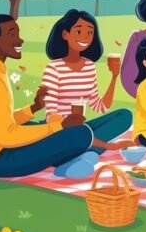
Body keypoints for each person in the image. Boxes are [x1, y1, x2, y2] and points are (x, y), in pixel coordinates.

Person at [0, 15, 132, 179]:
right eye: (12, 34)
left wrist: (33, 108)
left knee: (114, 118)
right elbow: (6, 135)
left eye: (90, 32)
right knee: (80, 134)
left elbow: (2, 121)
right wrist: (60, 126)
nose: (20, 40)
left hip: (0, 148)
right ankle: (73, 161)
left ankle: (80, 150)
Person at [40, 9, 133, 177]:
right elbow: (51, 114)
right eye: (79, 31)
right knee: (76, 136)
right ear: (65, 34)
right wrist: (106, 145)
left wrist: (114, 77)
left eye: (90, 32)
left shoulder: (89, 66)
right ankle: (77, 157)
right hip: (59, 130)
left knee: (125, 115)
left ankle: (77, 155)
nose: (85, 36)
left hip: (82, 128)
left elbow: (100, 106)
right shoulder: (53, 68)